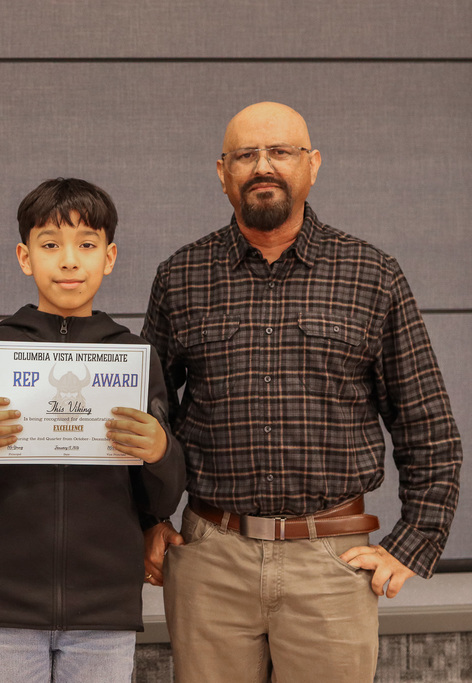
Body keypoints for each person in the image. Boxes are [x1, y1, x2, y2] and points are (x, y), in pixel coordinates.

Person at [141, 102, 463, 682]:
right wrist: (146, 519)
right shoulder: (181, 275)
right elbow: (146, 414)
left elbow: (429, 429)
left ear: (312, 165)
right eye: (246, 155)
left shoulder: (373, 275)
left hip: (331, 564)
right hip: (211, 559)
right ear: (223, 173)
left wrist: (414, 540)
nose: (263, 166)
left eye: (281, 151)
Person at [0, 178, 185, 682]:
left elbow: (161, 499)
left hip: (105, 607)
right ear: (25, 257)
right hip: (4, 605)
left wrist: (160, 451)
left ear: (109, 257)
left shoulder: (135, 357)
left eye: (86, 245)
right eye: (50, 245)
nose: (69, 260)